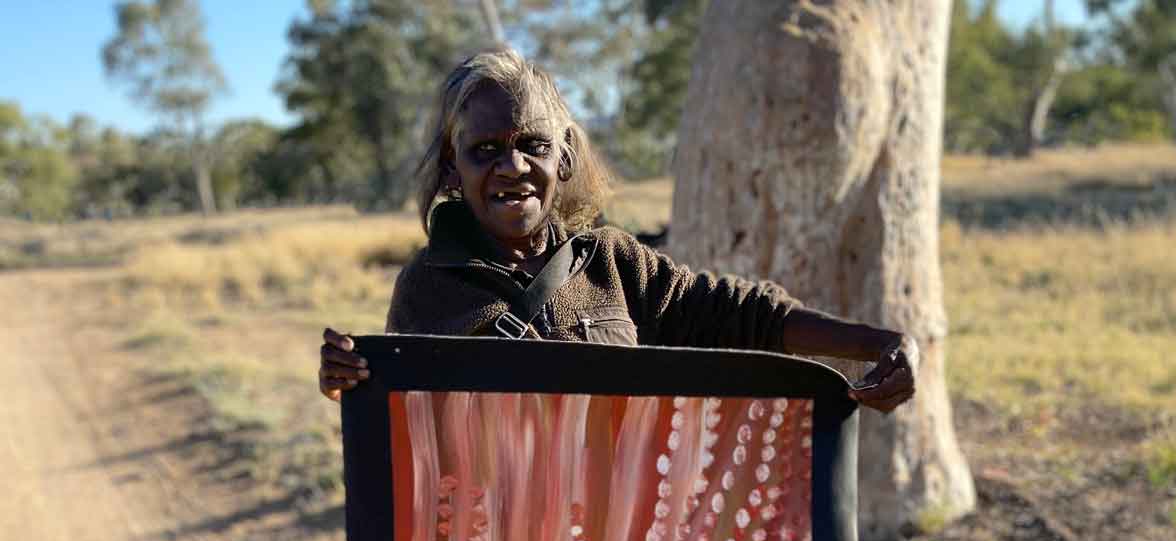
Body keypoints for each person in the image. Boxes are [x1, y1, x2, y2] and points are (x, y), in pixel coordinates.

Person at [319, 48, 918, 411]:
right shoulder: (426, 287)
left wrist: (878, 344)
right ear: (454, 167)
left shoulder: (613, 264)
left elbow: (744, 315)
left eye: (534, 146)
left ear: (565, 159)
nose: (514, 166)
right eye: (485, 150)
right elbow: (404, 430)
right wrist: (353, 378)